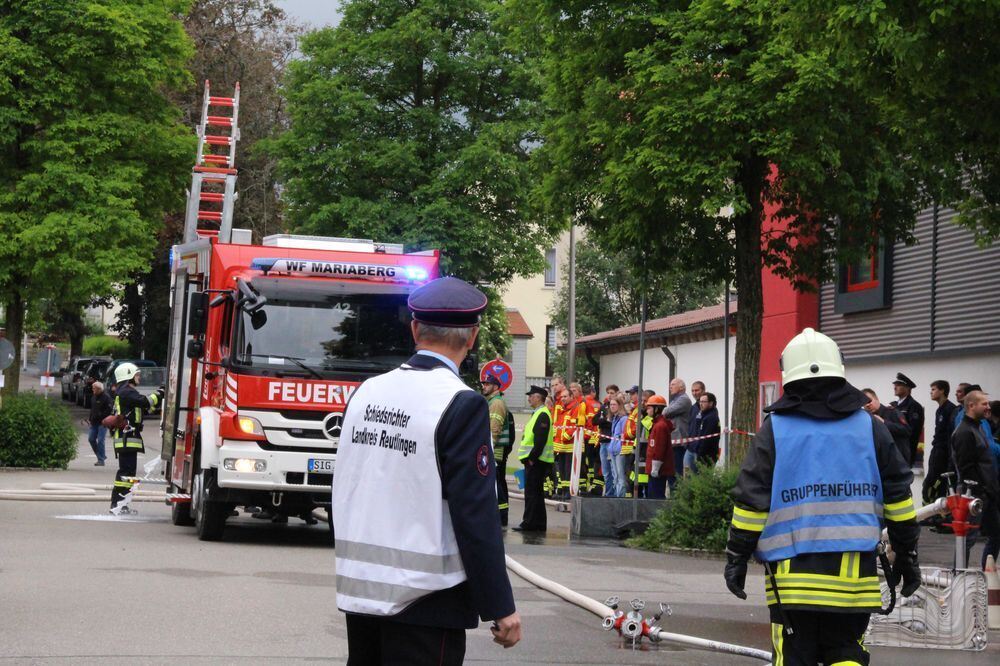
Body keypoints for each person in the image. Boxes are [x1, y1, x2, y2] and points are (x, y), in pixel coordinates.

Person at [332, 276, 520, 664]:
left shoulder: (365, 392)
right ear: (473, 337)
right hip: (427, 599)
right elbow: (475, 513)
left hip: (363, 592)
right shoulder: (461, 404)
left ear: (415, 328)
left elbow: (352, 482)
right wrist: (500, 606)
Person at [724, 328, 919, 666]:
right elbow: (899, 499)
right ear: (838, 369)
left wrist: (737, 557)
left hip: (792, 583)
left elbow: (752, 503)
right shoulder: (870, 427)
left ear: (790, 374)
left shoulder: (776, 429)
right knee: (846, 654)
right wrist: (906, 555)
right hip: (853, 582)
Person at [951, 390, 1000, 570]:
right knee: (967, 538)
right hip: (973, 495)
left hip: (987, 493)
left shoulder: (978, 426)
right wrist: (980, 490)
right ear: (971, 406)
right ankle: (958, 577)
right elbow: (966, 468)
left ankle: (987, 571)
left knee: (996, 534)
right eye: (984, 404)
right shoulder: (964, 432)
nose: (988, 407)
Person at [109, 363, 163, 513]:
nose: (139, 377)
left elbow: (144, 407)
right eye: (137, 375)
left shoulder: (126, 392)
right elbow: (145, 401)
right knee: (126, 473)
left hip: (127, 437)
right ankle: (118, 505)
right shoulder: (126, 392)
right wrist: (161, 392)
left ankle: (120, 504)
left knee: (127, 472)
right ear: (128, 375)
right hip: (127, 437)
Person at [516, 385, 555, 532]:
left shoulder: (542, 414)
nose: (529, 398)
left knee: (532, 493)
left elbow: (540, 440)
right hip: (536, 460)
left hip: (536, 461)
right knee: (536, 493)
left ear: (538, 397)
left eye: (531, 395)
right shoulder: (538, 413)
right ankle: (537, 524)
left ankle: (529, 523)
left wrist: (532, 458)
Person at [482, 373, 515, 527]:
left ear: (495, 387)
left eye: (487, 384)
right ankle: (500, 516)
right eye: (484, 384)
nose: (484, 386)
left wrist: (489, 446)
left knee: (498, 484)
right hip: (495, 449)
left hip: (496, 450)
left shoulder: (496, 403)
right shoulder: (492, 402)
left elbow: (494, 428)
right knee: (497, 483)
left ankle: (501, 517)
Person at [923, 380, 958, 504]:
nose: (931, 392)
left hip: (943, 453)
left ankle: (935, 513)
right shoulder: (939, 410)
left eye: (933, 389)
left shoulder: (950, 409)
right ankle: (931, 513)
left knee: (935, 483)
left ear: (942, 390)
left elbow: (949, 435)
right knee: (930, 483)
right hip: (937, 449)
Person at [862, 388, 911, 464]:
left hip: (897, 460)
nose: (867, 405)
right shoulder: (866, 418)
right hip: (879, 460)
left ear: (876, 399)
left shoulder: (892, 412)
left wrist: (884, 422)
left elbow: (906, 430)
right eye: (864, 403)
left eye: (869, 401)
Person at [643, 395, 675, 499]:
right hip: (655, 469)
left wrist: (655, 468)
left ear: (657, 409)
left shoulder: (660, 426)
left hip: (658, 470)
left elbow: (659, 448)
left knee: (656, 497)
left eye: (649, 408)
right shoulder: (657, 424)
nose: (647, 411)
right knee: (653, 495)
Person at [892, 372, 925, 468]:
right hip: (894, 450)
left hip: (905, 451)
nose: (895, 387)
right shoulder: (894, 405)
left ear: (907, 388)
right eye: (895, 385)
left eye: (898, 385)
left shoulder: (913, 406)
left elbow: (913, 431)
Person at [663, 378, 693, 477]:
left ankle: (676, 492)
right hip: (673, 440)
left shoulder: (684, 399)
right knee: (672, 471)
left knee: (676, 471)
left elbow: (666, 412)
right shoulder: (675, 400)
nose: (670, 387)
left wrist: (666, 411)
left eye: (673, 384)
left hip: (679, 441)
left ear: (681, 387)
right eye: (670, 385)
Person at [690, 392, 721, 471]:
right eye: (700, 401)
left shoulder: (711, 418)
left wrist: (699, 454)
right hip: (700, 452)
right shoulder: (703, 414)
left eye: (703, 402)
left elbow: (705, 440)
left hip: (707, 456)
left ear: (711, 403)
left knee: (702, 478)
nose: (701, 404)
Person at [583, 385, 604, 495]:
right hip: (597, 437)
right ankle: (595, 486)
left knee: (589, 464)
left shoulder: (584, 403)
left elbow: (587, 422)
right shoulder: (598, 404)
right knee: (596, 463)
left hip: (588, 437)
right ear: (593, 392)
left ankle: (590, 486)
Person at [608, 393, 629, 497]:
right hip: (613, 450)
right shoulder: (615, 418)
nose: (612, 406)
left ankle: (621, 497)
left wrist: (619, 447)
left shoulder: (623, 418)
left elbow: (623, 435)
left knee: (621, 476)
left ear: (620, 405)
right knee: (615, 476)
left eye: (614, 404)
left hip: (620, 450)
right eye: (611, 404)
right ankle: (617, 496)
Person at [87, 381, 111, 467]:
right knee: (91, 439)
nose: (93, 389)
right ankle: (101, 455)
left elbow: (109, 411)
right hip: (94, 422)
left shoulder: (106, 397)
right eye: (93, 388)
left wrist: (101, 416)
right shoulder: (93, 397)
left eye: (94, 388)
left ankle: (101, 460)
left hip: (102, 423)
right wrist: (90, 419)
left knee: (101, 440)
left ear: (99, 389)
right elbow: (92, 409)